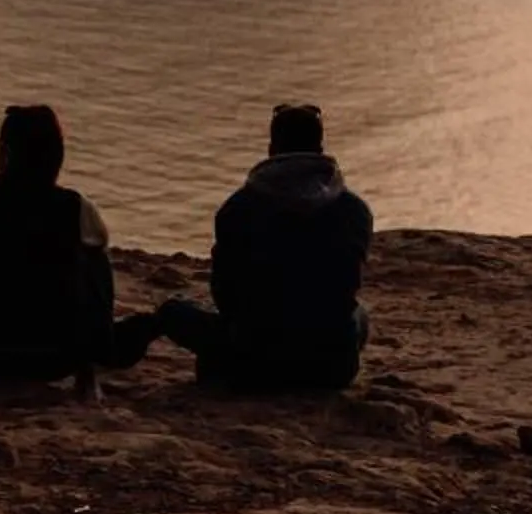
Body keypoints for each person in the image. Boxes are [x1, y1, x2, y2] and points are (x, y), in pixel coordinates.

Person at [155, 103, 374, 390]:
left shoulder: (237, 209)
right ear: (320, 149)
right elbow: (348, 287)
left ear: (272, 149)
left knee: (173, 311)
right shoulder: (354, 210)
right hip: (331, 367)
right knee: (360, 315)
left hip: (252, 360)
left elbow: (225, 296)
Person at [0, 104, 159, 388]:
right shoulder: (74, 207)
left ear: (6, 152)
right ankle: (103, 342)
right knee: (95, 259)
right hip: (56, 353)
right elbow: (100, 241)